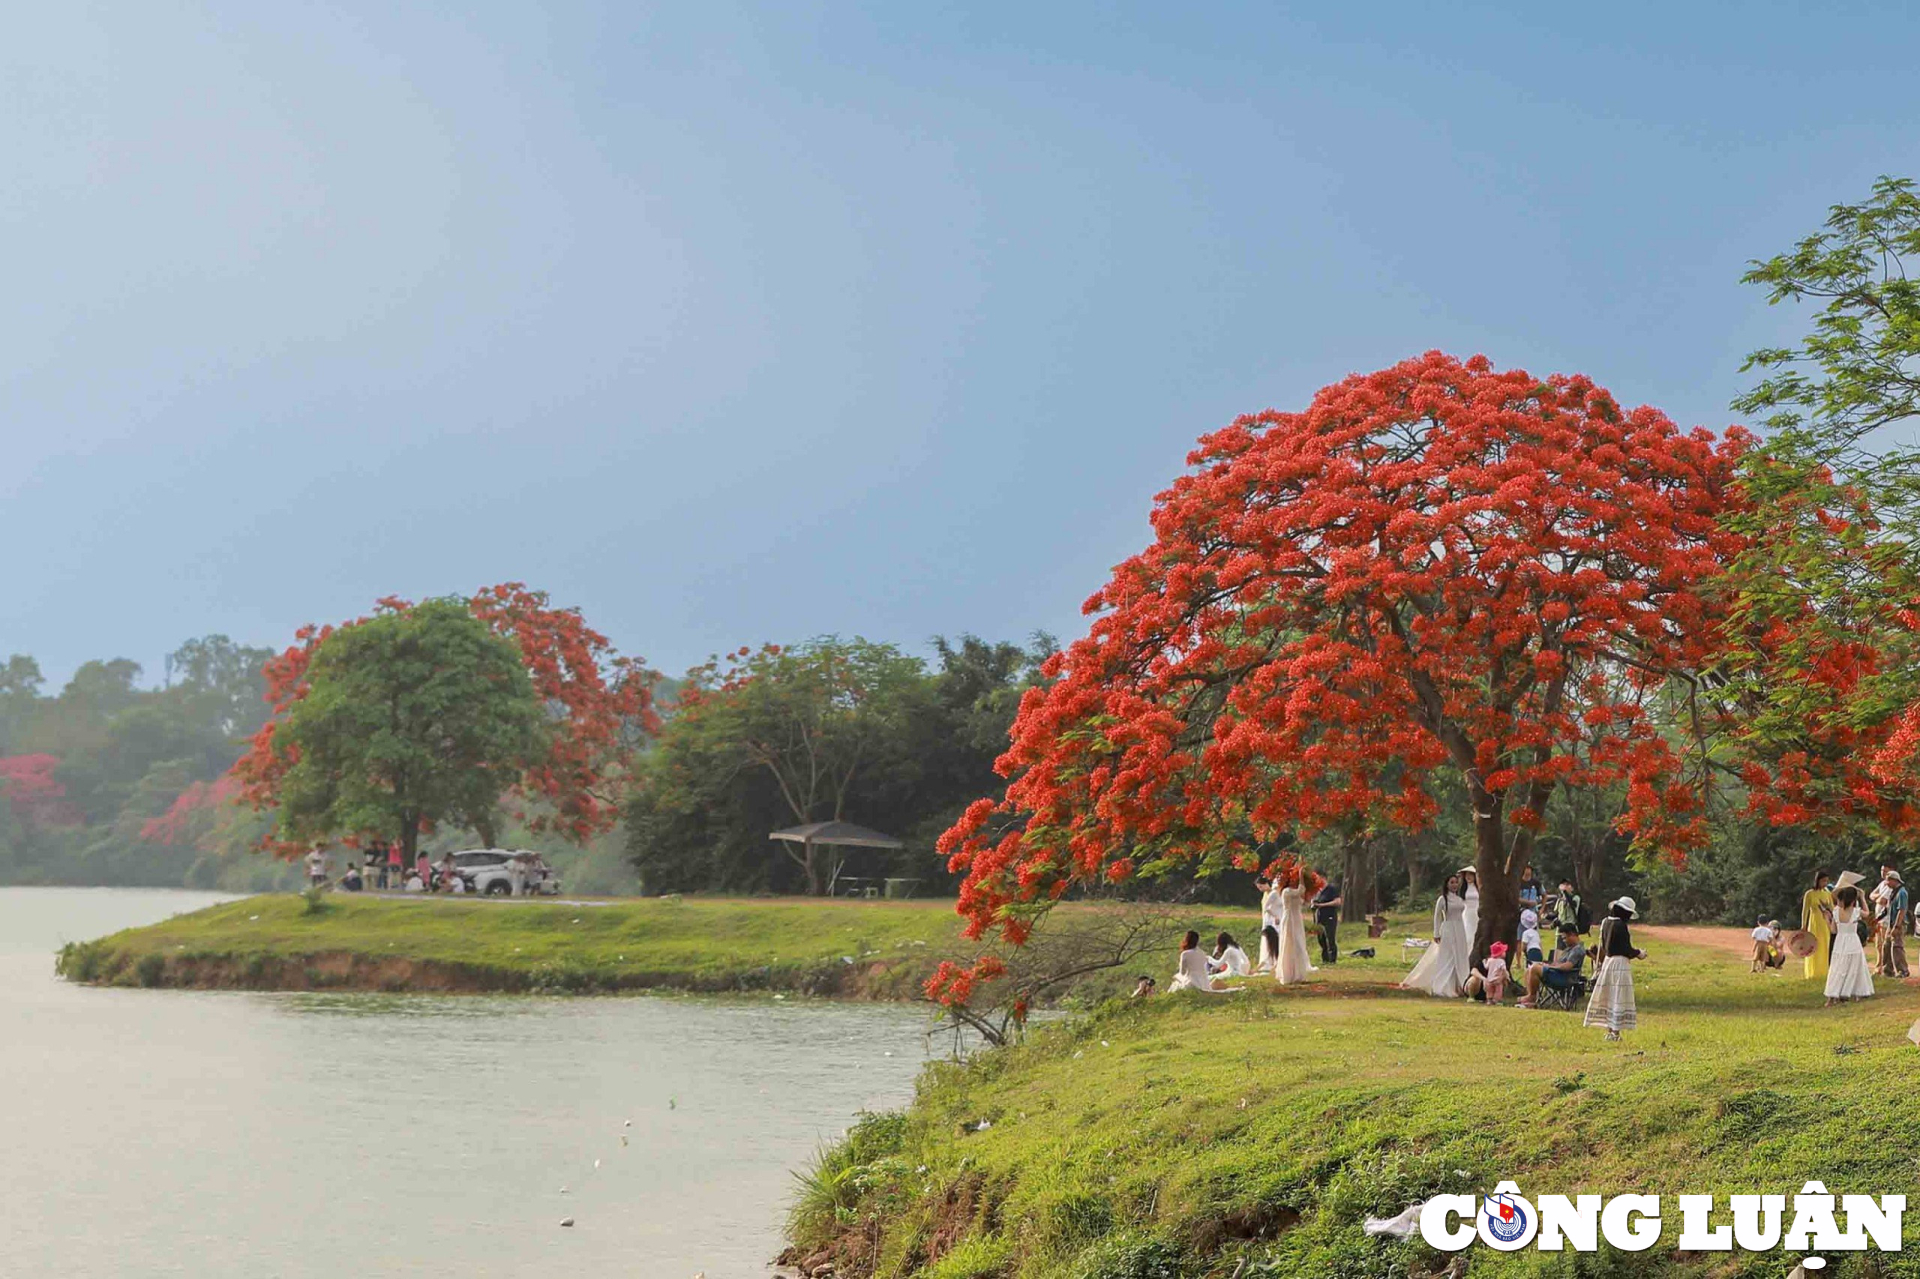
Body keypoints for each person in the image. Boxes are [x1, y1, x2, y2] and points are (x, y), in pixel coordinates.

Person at [1583, 897, 1647, 1040]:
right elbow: (1625, 949)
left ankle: (1610, 1030)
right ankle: (1616, 1032)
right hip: (1620, 964)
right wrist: (1639, 953)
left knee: (1609, 995)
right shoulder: (1620, 926)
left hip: (1608, 962)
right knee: (1618, 995)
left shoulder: (1605, 922)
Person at [1401, 873, 1470, 997]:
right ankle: (1443, 985)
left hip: (1460, 929)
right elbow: (1437, 916)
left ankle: (1460, 984)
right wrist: (1436, 933)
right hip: (1448, 928)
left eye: (1456, 882)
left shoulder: (1460, 899)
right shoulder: (1442, 899)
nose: (1454, 885)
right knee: (1448, 956)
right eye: (1452, 883)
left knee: (1460, 956)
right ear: (1447, 884)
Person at [1826, 885, 1874, 1005]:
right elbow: (1867, 913)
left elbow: (1833, 930)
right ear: (1853, 900)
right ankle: (1858, 993)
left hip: (1840, 941)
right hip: (1853, 940)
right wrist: (1862, 897)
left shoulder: (1836, 911)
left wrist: (1827, 919)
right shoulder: (1856, 912)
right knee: (1856, 967)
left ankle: (1832, 997)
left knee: (1837, 967)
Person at [1518, 925, 1587, 1008]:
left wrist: (1550, 967)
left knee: (1534, 968)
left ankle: (1532, 997)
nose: (1564, 941)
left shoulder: (1577, 950)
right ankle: (1531, 997)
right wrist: (1547, 965)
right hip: (1558, 974)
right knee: (1530, 968)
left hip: (1564, 978)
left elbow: (1567, 966)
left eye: (1565, 938)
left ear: (1572, 934)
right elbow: (1559, 963)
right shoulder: (1570, 948)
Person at [1274, 872, 1317, 985]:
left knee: (1299, 944)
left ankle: (1298, 973)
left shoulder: (1293, 892)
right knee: (1290, 944)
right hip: (1290, 919)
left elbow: (1303, 901)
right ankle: (1288, 974)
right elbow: (1300, 890)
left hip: (1297, 919)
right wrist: (1301, 875)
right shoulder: (1286, 891)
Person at [1801, 868, 1835, 982]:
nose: (1825, 883)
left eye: (1826, 881)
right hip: (1814, 922)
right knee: (1814, 947)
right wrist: (1803, 925)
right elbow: (1805, 910)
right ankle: (1813, 972)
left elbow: (1832, 908)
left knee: (1825, 946)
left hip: (1825, 923)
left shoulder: (1827, 893)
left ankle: (1824, 972)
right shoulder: (1809, 894)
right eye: (1823, 881)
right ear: (1818, 881)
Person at [1877, 870, 1909, 978]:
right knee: (1886, 946)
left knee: (1897, 947)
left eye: (1888, 881)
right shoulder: (1893, 892)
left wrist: (1896, 926)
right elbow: (1888, 908)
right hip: (1891, 923)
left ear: (1894, 880)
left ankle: (1903, 970)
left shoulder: (1902, 893)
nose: (1887, 884)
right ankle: (1888, 970)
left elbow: (1902, 910)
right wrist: (1877, 918)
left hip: (1898, 923)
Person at [1256, 878, 1284, 974]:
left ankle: (1276, 960)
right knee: (1272, 938)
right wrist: (1275, 916)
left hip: (1277, 917)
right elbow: (1266, 907)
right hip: (1272, 918)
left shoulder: (1277, 893)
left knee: (1277, 939)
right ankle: (1269, 961)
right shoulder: (1273, 894)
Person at [1313, 879, 1343, 964]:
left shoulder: (1331, 889)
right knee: (1321, 938)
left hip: (1330, 916)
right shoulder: (1318, 891)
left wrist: (1322, 905)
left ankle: (1332, 959)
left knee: (1330, 937)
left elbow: (1337, 902)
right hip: (1319, 917)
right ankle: (1325, 959)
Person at [1459, 867, 1480, 949]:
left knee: (1476, 933)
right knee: (1468, 934)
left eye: (1471, 875)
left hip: (1477, 912)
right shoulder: (1462, 888)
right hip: (1467, 913)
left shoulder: (1478, 887)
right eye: (1467, 875)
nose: (1468, 877)